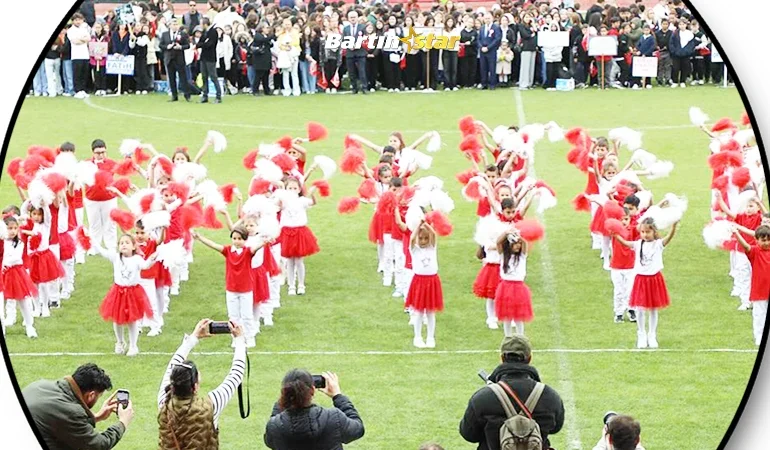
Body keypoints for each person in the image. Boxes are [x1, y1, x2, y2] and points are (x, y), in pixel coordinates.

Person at [459, 335, 565, 450]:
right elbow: (556, 428)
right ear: (529, 358)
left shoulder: (481, 398)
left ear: (502, 358)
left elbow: (468, 434)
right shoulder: (550, 396)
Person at [157, 319, 246, 449]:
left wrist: (193, 337)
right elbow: (236, 374)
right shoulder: (210, 405)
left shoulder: (163, 402)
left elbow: (172, 366)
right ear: (195, 387)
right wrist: (239, 340)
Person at [22, 363, 134, 450]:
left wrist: (96, 417)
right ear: (91, 395)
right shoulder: (71, 411)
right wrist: (123, 423)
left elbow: (60, 423)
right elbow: (98, 445)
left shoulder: (39, 385)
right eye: (99, 396)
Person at [612, 218, 678, 349]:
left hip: (654, 279)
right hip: (641, 280)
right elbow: (626, 243)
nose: (645, 234)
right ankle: (641, 334)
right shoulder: (638, 244)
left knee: (653, 308)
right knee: (640, 308)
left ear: (654, 231)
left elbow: (668, 238)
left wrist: (673, 227)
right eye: (642, 232)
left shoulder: (658, 244)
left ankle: (652, 334)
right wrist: (616, 235)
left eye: (648, 232)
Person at [194, 227, 262, 347]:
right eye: (234, 238)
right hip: (231, 289)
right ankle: (236, 338)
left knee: (247, 315)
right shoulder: (228, 250)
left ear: (245, 240)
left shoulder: (247, 252)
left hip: (246, 289)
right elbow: (214, 245)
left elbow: (256, 247)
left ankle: (250, 337)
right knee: (233, 316)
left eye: (240, 239)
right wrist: (200, 238)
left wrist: (265, 241)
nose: (236, 241)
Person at [264, 370, 365, 449]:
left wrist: (285, 399)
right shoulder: (334, 418)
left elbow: (270, 441)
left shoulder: (275, 426)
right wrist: (337, 396)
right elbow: (358, 429)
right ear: (312, 390)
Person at [93, 234, 157, 357]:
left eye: (127, 243)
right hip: (118, 293)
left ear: (134, 246)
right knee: (117, 320)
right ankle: (120, 342)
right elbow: (102, 251)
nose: (124, 245)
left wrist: (152, 258)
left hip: (133, 293)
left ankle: (133, 345)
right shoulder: (116, 257)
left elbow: (145, 266)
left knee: (132, 321)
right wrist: (92, 238)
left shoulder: (137, 259)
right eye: (121, 243)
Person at [405, 222, 443, 348]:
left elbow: (433, 234)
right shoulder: (414, 249)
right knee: (419, 312)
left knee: (431, 312)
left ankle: (431, 337)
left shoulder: (432, 248)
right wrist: (418, 226)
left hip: (431, 281)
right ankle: (417, 337)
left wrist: (426, 224)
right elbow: (411, 238)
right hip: (419, 282)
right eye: (421, 238)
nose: (423, 241)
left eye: (426, 238)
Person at [734, 225, 770, 346]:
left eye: (768, 240)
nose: (766, 243)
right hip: (759, 291)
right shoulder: (755, 252)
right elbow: (746, 246)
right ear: (757, 240)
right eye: (763, 240)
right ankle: (759, 338)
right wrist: (737, 234)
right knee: (759, 316)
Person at [160, 18, 192, 102]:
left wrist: (180, 47)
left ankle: (187, 94)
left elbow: (187, 45)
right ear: (169, 25)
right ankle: (174, 95)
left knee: (183, 78)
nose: (175, 26)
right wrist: (167, 47)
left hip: (179, 59)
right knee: (171, 78)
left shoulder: (183, 34)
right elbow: (161, 45)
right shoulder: (165, 34)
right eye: (173, 24)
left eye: (176, 24)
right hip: (169, 59)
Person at [197, 18, 223, 103]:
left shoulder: (213, 32)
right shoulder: (205, 32)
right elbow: (199, 43)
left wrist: (202, 44)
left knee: (213, 77)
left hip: (210, 57)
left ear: (205, 24)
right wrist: (203, 44)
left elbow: (209, 44)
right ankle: (205, 95)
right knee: (204, 76)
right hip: (203, 57)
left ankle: (218, 96)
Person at [343, 9, 369, 94]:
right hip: (350, 53)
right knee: (351, 72)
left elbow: (365, 39)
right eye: (351, 17)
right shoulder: (346, 29)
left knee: (362, 71)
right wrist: (349, 46)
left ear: (357, 18)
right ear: (348, 18)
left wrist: (357, 45)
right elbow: (343, 40)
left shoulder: (362, 27)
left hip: (360, 52)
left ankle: (364, 88)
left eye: (354, 17)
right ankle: (354, 88)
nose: (353, 19)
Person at [67, 13, 91, 99]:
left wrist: (81, 39)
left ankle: (83, 90)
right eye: (76, 20)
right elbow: (75, 41)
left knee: (84, 73)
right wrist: (82, 39)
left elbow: (88, 39)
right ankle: (77, 90)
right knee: (77, 74)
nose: (78, 22)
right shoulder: (70, 30)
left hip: (85, 54)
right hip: (76, 55)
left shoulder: (84, 29)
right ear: (73, 21)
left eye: (79, 20)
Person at [477, 12, 502, 90]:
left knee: (492, 68)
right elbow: (478, 39)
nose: (487, 20)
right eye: (486, 18)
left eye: (489, 18)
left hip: (491, 50)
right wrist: (481, 47)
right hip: (482, 51)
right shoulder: (482, 28)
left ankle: (492, 84)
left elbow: (497, 39)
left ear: (492, 19)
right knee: (483, 68)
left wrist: (488, 47)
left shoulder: (496, 27)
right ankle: (484, 83)